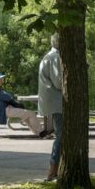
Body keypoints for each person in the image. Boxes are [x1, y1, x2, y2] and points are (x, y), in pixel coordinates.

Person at [0, 71, 47, 136]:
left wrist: (14, 101)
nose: (1, 80)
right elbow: (8, 97)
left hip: (4, 109)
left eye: (1, 78)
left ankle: (38, 132)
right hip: (4, 111)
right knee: (31, 114)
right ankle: (41, 132)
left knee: (26, 115)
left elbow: (8, 97)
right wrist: (14, 101)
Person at [37, 34, 63, 181]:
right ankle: (52, 171)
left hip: (53, 102)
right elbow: (59, 83)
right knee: (61, 136)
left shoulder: (50, 56)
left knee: (61, 135)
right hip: (57, 102)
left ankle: (55, 170)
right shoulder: (55, 57)